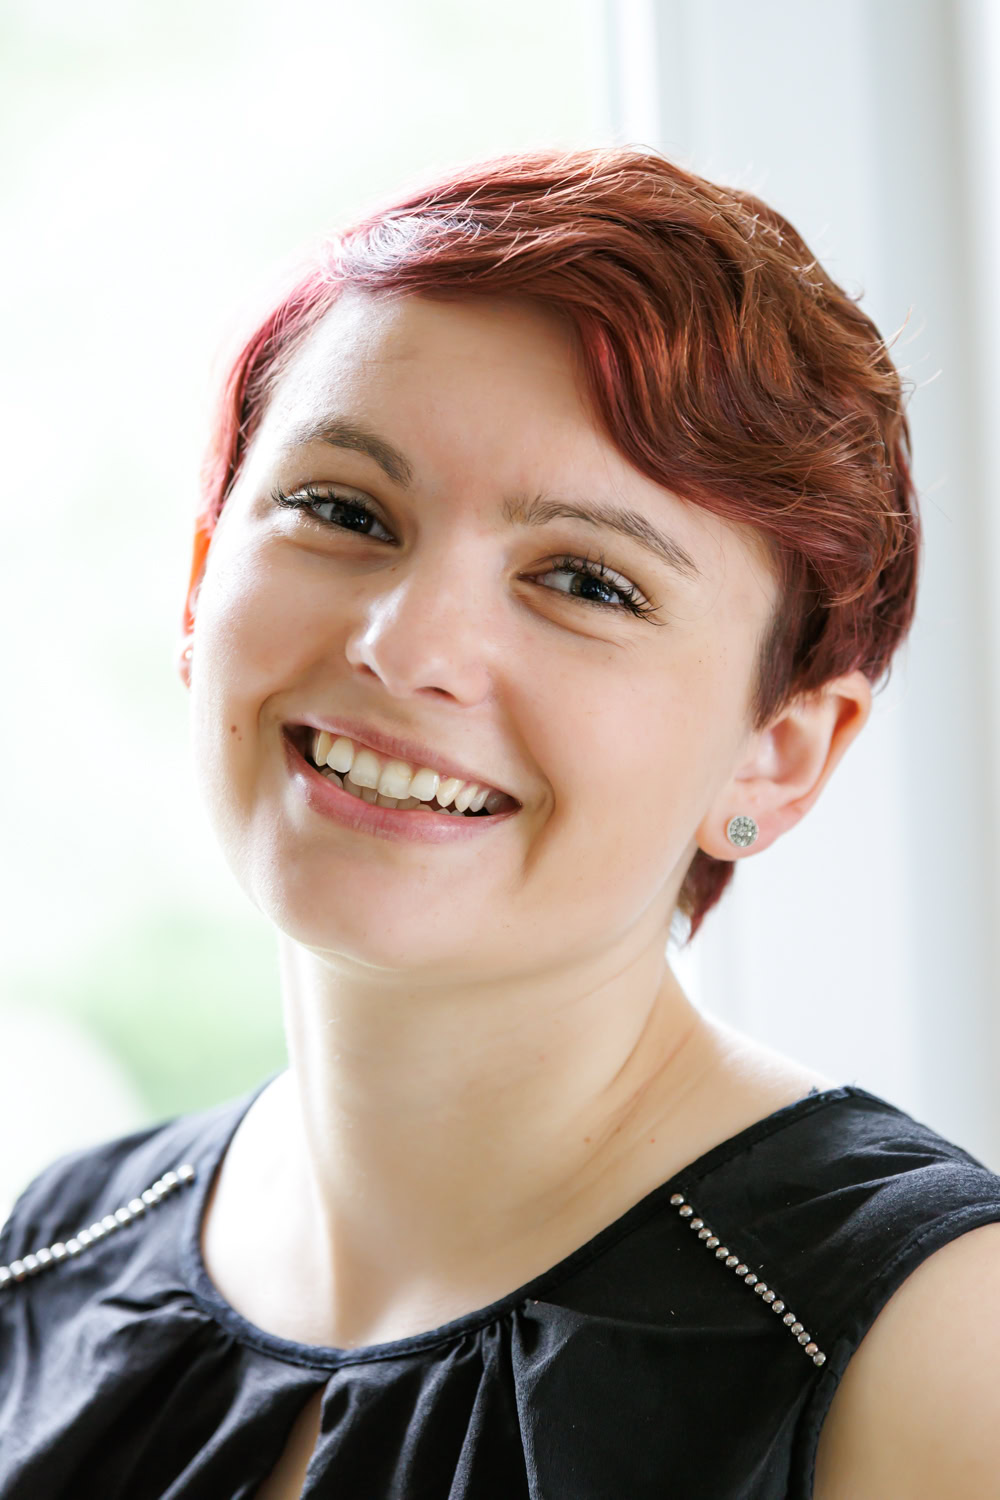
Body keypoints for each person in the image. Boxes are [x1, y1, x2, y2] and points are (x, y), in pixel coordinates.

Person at [1, 145, 999, 1500]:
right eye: (342, 510)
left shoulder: (939, 1345)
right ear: (198, 583)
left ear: (778, 757)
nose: (408, 645)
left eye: (585, 582)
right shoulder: (45, 1262)